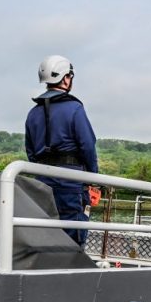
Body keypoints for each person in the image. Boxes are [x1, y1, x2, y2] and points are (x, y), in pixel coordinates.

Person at [25, 55, 99, 246]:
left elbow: (31, 151)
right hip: (71, 182)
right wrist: (94, 178)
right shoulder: (74, 108)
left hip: (42, 182)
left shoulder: (33, 113)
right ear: (66, 78)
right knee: (73, 237)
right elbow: (88, 146)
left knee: (45, 234)